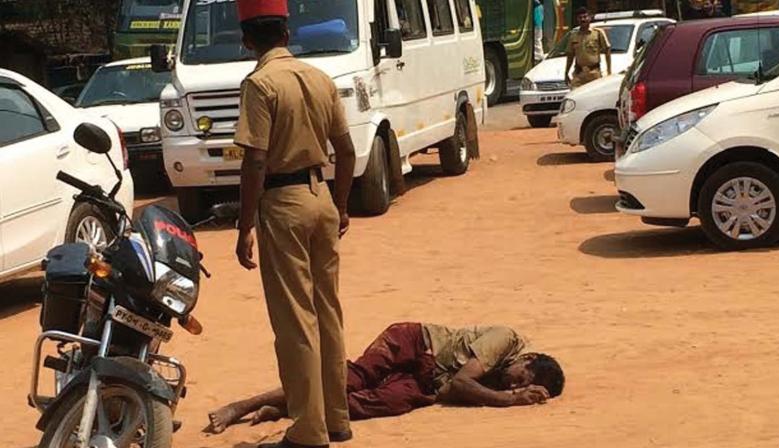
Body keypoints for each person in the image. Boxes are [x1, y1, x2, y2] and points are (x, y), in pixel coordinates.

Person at [232, 0, 357, 446]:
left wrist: (244, 224)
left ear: (248, 40)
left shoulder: (260, 85)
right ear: (286, 34)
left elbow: (255, 160)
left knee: (295, 322)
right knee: (328, 314)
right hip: (320, 197)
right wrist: (340, 205)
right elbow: (346, 151)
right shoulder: (320, 79)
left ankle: (308, 430)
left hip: (282, 204)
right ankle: (337, 419)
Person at [208, 323, 565, 433]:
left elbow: (450, 390)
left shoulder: (500, 377)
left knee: (376, 404)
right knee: (349, 379)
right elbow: (459, 384)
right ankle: (243, 405)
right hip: (413, 342)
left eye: (520, 388)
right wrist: (510, 400)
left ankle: (285, 407)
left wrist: (510, 394)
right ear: (527, 359)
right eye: (521, 379)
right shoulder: (504, 341)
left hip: (425, 382)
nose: (513, 385)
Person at [564, 7, 611, 89]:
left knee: (594, 97)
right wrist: (566, 72)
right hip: (579, 73)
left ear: (590, 18)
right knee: (574, 96)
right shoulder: (573, 36)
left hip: (594, 73)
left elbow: (607, 51)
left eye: (585, 17)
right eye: (580, 17)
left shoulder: (598, 33)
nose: (583, 19)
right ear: (577, 19)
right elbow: (570, 56)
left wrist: (609, 71)